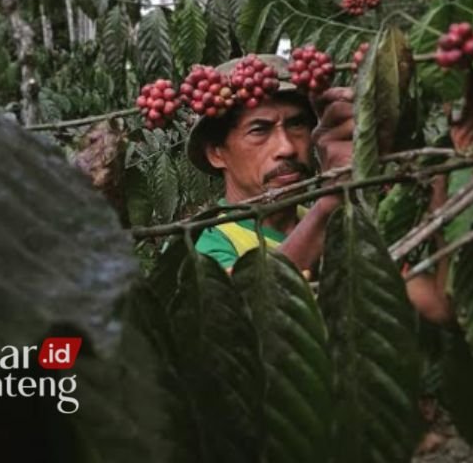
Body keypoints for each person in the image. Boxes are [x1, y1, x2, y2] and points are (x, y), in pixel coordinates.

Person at [187, 55, 452, 323]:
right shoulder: (203, 242)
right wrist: (328, 206)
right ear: (216, 154)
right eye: (259, 130)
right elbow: (241, 329)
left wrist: (439, 192)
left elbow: (438, 306)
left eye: (297, 125)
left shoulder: (343, 225)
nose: (287, 148)